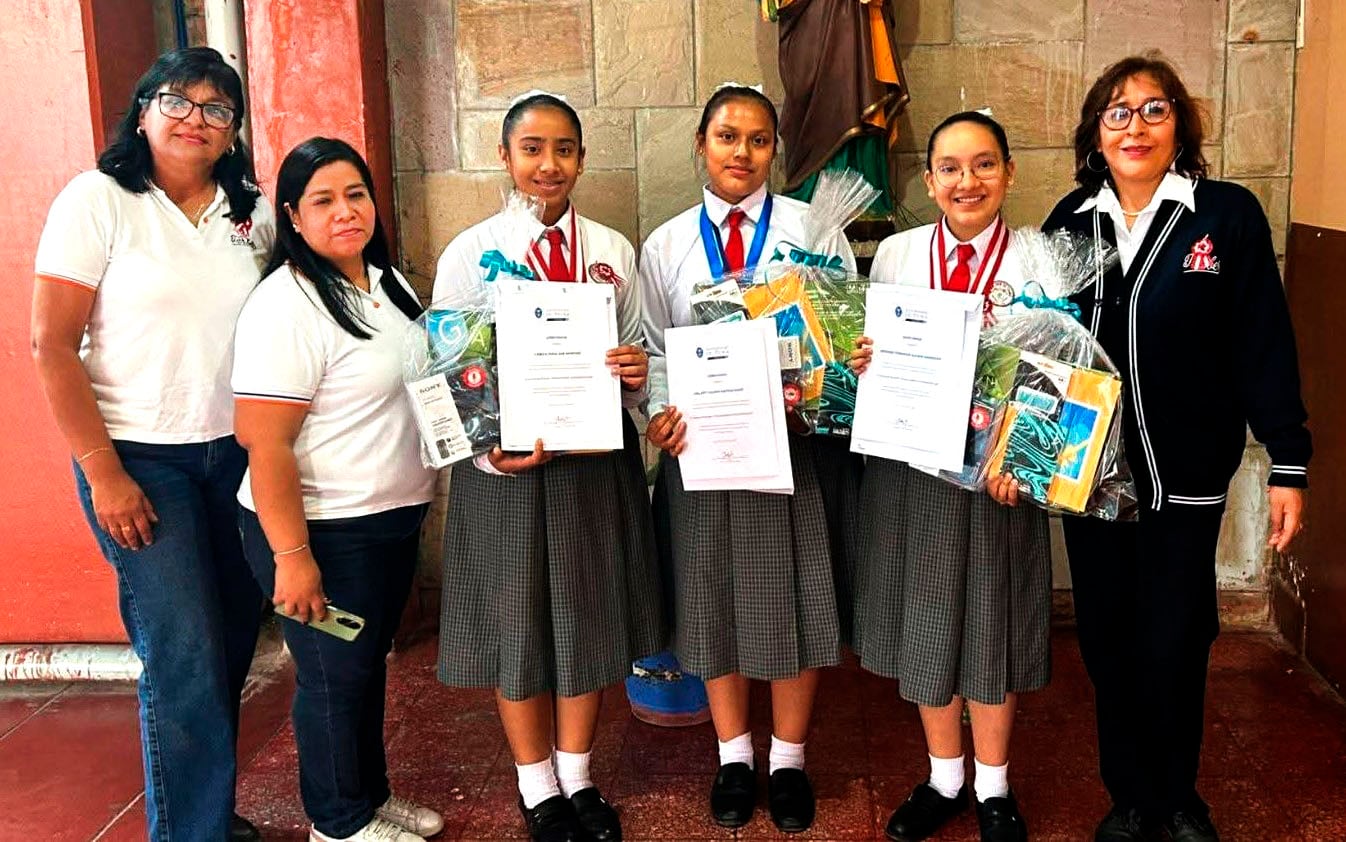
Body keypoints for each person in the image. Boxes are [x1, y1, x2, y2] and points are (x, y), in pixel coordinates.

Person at [1041, 54, 1310, 842]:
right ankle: (1129, 797)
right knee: (1107, 640)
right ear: (1096, 132)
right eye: (1118, 112)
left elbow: (1263, 343)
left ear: (1180, 126)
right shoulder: (1070, 222)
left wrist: (1288, 460)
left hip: (1183, 475)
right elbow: (1041, 348)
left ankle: (1178, 796)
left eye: (1154, 109)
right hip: (1088, 478)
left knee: (1177, 639)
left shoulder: (1223, 216)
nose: (1136, 126)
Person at [31, 47, 273, 842]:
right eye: (178, 100)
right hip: (140, 460)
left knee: (231, 640)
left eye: (217, 109)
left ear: (232, 131)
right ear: (143, 111)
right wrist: (104, 473)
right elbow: (51, 345)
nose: (195, 119)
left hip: (235, 457)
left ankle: (207, 814)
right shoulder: (98, 200)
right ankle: (190, 833)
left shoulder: (249, 212)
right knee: (183, 654)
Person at [432, 92, 664, 842]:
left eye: (564, 149)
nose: (548, 164)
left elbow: (639, 354)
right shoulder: (470, 253)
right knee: (519, 622)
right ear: (504, 157)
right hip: (508, 470)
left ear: (582, 159)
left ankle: (579, 775)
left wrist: (637, 375)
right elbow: (449, 370)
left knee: (587, 617)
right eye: (531, 148)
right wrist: (487, 452)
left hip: (593, 464)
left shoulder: (612, 250)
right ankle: (536, 784)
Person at [639, 84, 856, 834]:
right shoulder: (665, 244)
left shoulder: (813, 230)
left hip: (792, 451)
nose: (742, 152)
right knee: (712, 598)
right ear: (701, 144)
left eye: (759, 140)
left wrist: (826, 385)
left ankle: (789, 759)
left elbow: (840, 334)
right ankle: (733, 755)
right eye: (727, 136)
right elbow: (652, 350)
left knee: (795, 598)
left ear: (775, 151)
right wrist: (657, 417)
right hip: (702, 451)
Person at [232, 138, 441, 842]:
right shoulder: (285, 305)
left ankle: (368, 795)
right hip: (322, 527)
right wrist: (291, 557)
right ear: (293, 216)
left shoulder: (385, 282)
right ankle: (338, 823)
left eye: (356, 194)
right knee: (332, 676)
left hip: (387, 519)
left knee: (364, 667)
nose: (345, 211)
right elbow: (264, 441)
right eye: (322, 200)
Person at [849, 111, 1044, 842]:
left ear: (1009, 173)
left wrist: (1020, 459)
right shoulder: (897, 255)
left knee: (991, 623)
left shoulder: (1037, 261)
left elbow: (1057, 376)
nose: (968, 181)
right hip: (913, 469)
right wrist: (864, 362)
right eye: (951, 168)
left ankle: (994, 787)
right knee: (926, 618)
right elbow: (870, 356)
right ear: (929, 181)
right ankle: (944, 778)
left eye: (984, 164)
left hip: (998, 478)